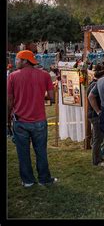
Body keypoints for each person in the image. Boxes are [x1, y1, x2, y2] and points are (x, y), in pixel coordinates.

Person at [7, 50, 58, 187]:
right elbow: (52, 97)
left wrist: (8, 118)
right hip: (39, 121)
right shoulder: (45, 75)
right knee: (41, 151)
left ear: (25, 61)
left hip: (20, 121)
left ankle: (28, 181)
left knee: (23, 153)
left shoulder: (12, 76)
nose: (15, 62)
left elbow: (9, 101)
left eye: (17, 59)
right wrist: (39, 94)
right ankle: (44, 179)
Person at [86, 63, 104, 166]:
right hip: (95, 115)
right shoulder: (96, 85)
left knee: (97, 137)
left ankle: (99, 156)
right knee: (98, 138)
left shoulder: (92, 83)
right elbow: (92, 98)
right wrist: (98, 111)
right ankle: (97, 160)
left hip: (93, 114)